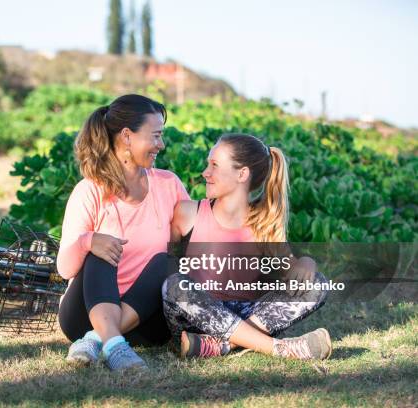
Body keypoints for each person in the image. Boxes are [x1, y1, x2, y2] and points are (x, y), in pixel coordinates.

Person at [162, 133, 331, 361]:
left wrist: (306, 263)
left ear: (242, 174)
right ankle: (279, 348)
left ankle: (221, 345)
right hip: (195, 321)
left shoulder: (264, 225)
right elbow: (167, 271)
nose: (205, 173)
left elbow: (293, 275)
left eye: (214, 165)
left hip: (246, 316)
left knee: (317, 284)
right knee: (175, 285)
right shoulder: (187, 214)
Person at [57, 94, 189, 371]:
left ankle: (102, 339)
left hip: (146, 322)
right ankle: (114, 344)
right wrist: (88, 241)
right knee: (100, 249)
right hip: (83, 316)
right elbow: (66, 269)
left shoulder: (169, 184)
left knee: (169, 259)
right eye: (155, 136)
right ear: (127, 136)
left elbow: (192, 251)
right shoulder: (89, 190)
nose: (161, 145)